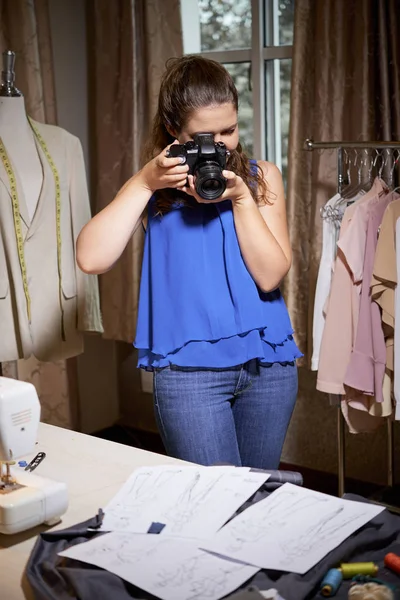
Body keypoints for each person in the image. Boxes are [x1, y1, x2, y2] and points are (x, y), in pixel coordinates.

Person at [77, 55, 302, 469]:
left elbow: (270, 276)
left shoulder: (261, 177)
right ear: (173, 131)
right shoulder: (153, 187)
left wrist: (239, 198)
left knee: (257, 503)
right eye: (204, 135)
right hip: (189, 376)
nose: (220, 145)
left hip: (268, 366)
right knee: (212, 507)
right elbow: (91, 258)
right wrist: (145, 182)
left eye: (230, 130)